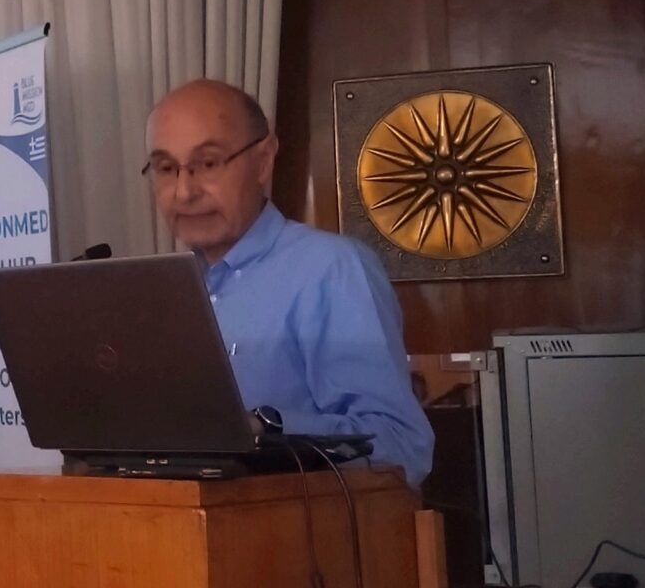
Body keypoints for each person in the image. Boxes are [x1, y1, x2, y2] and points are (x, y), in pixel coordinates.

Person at [144, 78, 434, 489]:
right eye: (165, 168)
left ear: (263, 161)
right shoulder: (160, 292)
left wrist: (268, 430)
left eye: (207, 164)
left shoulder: (329, 269)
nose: (183, 191)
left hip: (291, 525)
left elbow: (403, 446)